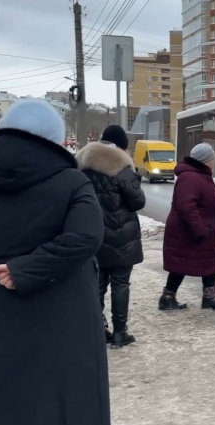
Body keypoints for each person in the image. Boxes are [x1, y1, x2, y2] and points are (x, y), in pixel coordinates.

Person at [0, 99, 110, 425]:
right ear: (54, 141)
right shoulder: (72, 182)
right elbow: (87, 236)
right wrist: (25, 269)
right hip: (59, 330)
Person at [76, 125, 146, 348]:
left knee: (97, 286)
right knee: (120, 284)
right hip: (121, 237)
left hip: (92, 236)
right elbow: (138, 201)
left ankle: (97, 329)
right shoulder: (122, 166)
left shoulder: (80, 165)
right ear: (121, 145)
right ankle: (120, 332)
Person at [158, 143, 215, 311]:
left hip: (201, 230)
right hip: (189, 232)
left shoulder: (199, 175)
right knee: (181, 264)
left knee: (207, 262)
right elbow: (186, 206)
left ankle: (209, 297)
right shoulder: (190, 177)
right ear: (205, 160)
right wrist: (200, 229)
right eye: (213, 158)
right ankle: (167, 298)